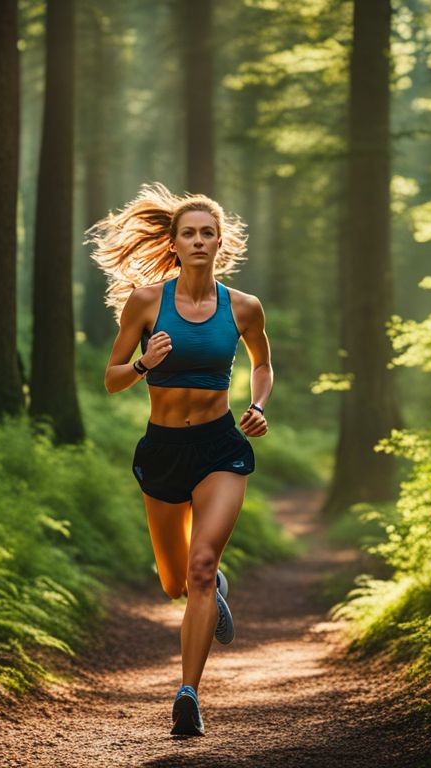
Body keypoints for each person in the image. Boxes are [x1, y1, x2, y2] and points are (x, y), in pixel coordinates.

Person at [89, 182, 273, 737]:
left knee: (200, 566)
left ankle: (188, 693)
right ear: (173, 242)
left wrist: (258, 405)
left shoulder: (244, 307)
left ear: (221, 242)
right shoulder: (146, 303)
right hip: (163, 451)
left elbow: (263, 365)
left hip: (220, 447)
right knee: (175, 583)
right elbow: (111, 379)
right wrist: (145, 362)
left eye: (207, 233)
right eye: (188, 233)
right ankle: (210, 593)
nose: (198, 240)